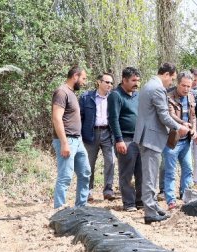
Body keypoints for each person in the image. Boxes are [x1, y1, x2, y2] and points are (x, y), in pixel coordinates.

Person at [135, 62, 189, 224]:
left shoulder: (148, 85)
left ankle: (153, 206)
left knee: (150, 174)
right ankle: (150, 212)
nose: (171, 83)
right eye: (171, 79)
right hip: (151, 138)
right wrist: (179, 127)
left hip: (146, 136)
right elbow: (164, 116)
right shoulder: (157, 88)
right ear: (166, 74)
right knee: (150, 177)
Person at [50, 65, 91, 209]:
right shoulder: (61, 92)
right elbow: (56, 118)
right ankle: (59, 210)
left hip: (77, 140)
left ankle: (81, 207)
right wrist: (64, 143)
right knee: (65, 176)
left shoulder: (72, 93)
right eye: (83, 78)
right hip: (67, 140)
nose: (84, 82)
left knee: (85, 172)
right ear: (75, 76)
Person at [163, 71, 197, 209]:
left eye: (189, 86)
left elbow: (193, 116)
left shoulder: (191, 97)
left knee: (188, 169)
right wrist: (183, 124)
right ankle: (171, 201)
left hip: (186, 141)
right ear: (178, 83)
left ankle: (186, 196)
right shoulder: (168, 96)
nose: (186, 89)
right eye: (183, 85)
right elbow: (170, 115)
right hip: (172, 141)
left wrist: (194, 129)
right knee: (170, 171)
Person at [109, 67, 141, 212]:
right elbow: (113, 119)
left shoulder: (137, 95)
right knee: (126, 172)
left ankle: (140, 201)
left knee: (142, 172)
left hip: (139, 139)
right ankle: (129, 203)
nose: (137, 84)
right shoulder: (115, 95)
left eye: (138, 80)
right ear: (124, 80)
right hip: (125, 138)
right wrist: (119, 139)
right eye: (134, 80)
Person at [80, 72, 116, 201]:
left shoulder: (113, 97)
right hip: (91, 133)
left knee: (111, 161)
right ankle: (88, 191)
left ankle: (108, 190)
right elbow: (80, 117)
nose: (109, 85)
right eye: (107, 82)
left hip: (108, 133)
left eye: (111, 83)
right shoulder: (86, 97)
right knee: (89, 163)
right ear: (99, 82)